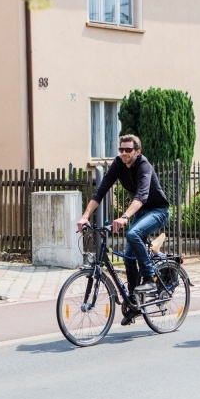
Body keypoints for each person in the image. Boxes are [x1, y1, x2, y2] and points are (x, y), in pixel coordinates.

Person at [77, 134, 170, 326]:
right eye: (121, 149)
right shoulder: (118, 164)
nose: (124, 153)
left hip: (157, 211)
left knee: (132, 234)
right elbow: (100, 192)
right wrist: (85, 216)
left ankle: (149, 277)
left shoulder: (144, 166)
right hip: (140, 212)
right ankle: (134, 302)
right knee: (128, 255)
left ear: (137, 151)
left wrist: (125, 217)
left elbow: (142, 196)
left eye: (128, 150)